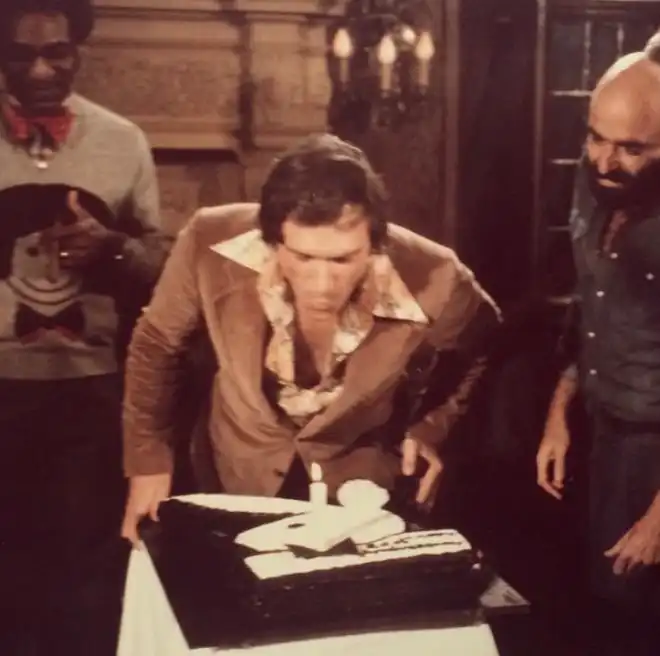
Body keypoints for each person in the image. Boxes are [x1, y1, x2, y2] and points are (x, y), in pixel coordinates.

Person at [121, 133, 501, 543]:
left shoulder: (437, 275)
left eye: (343, 260)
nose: (322, 284)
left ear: (375, 243)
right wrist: (148, 463)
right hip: (234, 473)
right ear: (271, 240)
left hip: (360, 490)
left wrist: (433, 429)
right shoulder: (207, 239)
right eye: (302, 257)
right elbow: (156, 344)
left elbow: (489, 348)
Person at [0, 1, 169, 654]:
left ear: (80, 51)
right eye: (21, 54)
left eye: (57, 52)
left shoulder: (123, 141)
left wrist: (114, 249)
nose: (41, 70)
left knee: (87, 575)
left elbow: (162, 270)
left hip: (91, 396)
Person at [536, 49, 660, 651]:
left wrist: (659, 519)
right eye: (595, 138)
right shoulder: (594, 185)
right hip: (600, 432)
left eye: (632, 148)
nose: (605, 161)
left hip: (653, 455)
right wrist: (559, 412)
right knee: (595, 610)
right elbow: (590, 309)